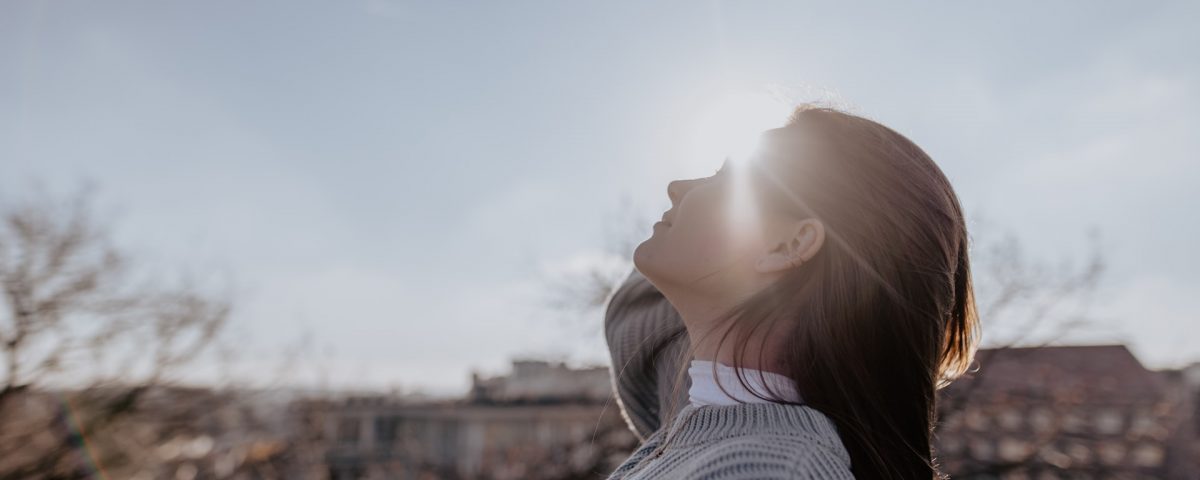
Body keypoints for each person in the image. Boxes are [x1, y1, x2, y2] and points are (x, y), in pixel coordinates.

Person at [604, 105, 980, 479]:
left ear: (790, 245)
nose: (677, 188)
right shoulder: (712, 419)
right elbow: (637, 320)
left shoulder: (769, 468)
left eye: (725, 178)